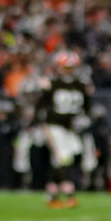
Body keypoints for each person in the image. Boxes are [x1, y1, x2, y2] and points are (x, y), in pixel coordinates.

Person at [34, 51, 93, 207]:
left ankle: (52, 194)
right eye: (65, 67)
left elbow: (87, 108)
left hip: (70, 128)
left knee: (65, 159)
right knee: (63, 158)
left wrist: (84, 120)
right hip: (54, 127)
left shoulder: (80, 85)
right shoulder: (53, 84)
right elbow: (41, 106)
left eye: (70, 67)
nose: (68, 70)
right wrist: (41, 124)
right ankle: (69, 193)